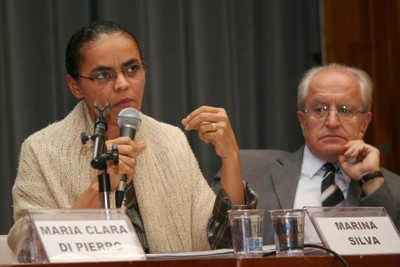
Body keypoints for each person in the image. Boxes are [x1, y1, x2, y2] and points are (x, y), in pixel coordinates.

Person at [7, 20, 257, 257]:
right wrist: (100, 188)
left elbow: (220, 241)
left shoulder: (170, 140)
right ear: (75, 86)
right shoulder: (41, 150)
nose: (123, 84)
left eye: (132, 69)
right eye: (103, 75)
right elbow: (28, 248)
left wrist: (231, 158)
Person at [213, 63, 400, 245]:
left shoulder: (391, 189)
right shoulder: (248, 171)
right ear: (303, 122)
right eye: (320, 109)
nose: (332, 122)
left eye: (345, 110)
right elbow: (217, 242)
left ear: (364, 123)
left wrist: (372, 180)